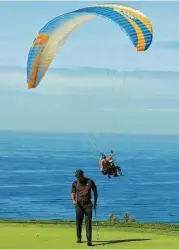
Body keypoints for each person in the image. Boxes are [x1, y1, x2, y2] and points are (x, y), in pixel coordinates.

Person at [71, 169, 98, 246]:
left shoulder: (90, 182)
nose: (77, 178)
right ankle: (79, 238)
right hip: (79, 205)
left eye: (78, 176)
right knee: (78, 222)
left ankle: (89, 240)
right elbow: (73, 193)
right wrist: (73, 200)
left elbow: (95, 192)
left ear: (82, 175)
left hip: (88, 204)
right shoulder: (75, 183)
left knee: (88, 223)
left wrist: (95, 202)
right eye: (76, 176)